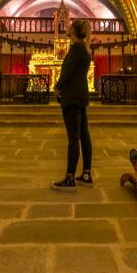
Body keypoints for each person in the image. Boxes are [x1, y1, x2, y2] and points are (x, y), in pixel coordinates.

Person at [51, 19, 93, 192]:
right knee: (83, 135)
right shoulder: (85, 47)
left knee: (73, 137)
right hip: (81, 94)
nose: (66, 27)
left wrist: (58, 86)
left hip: (72, 96)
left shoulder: (76, 48)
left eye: (69, 25)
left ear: (74, 30)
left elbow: (67, 70)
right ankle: (86, 174)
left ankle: (69, 178)